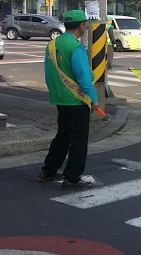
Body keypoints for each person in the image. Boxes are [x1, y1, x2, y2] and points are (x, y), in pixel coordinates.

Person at [39, 10, 99, 190]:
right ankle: (72, 178)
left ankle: (48, 171)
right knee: (78, 141)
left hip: (60, 99)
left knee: (63, 136)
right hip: (77, 101)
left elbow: (48, 75)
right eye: (85, 24)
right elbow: (84, 78)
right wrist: (94, 100)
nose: (86, 26)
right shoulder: (75, 48)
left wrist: (56, 92)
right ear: (82, 25)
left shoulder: (52, 45)